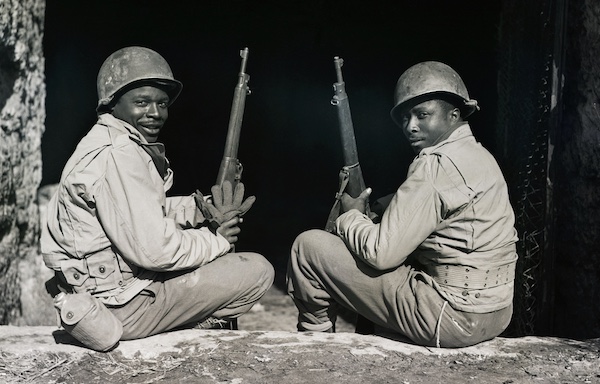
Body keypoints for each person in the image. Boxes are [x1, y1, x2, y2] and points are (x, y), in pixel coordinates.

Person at [41, 46, 274, 351]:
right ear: (112, 104)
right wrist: (215, 240)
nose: (155, 113)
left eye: (162, 104)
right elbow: (155, 252)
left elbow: (139, 211)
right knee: (256, 271)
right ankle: (184, 339)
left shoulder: (110, 141)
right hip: (122, 307)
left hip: (111, 294)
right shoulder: (119, 154)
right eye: (141, 102)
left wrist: (198, 209)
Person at [287, 61, 518, 348]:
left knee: (309, 248)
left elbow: (381, 254)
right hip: (495, 313)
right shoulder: (479, 156)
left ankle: (316, 344)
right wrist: (383, 206)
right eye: (406, 118)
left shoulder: (433, 167)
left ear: (453, 114)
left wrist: (352, 217)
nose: (411, 126)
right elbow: (435, 205)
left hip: (451, 318)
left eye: (422, 115)